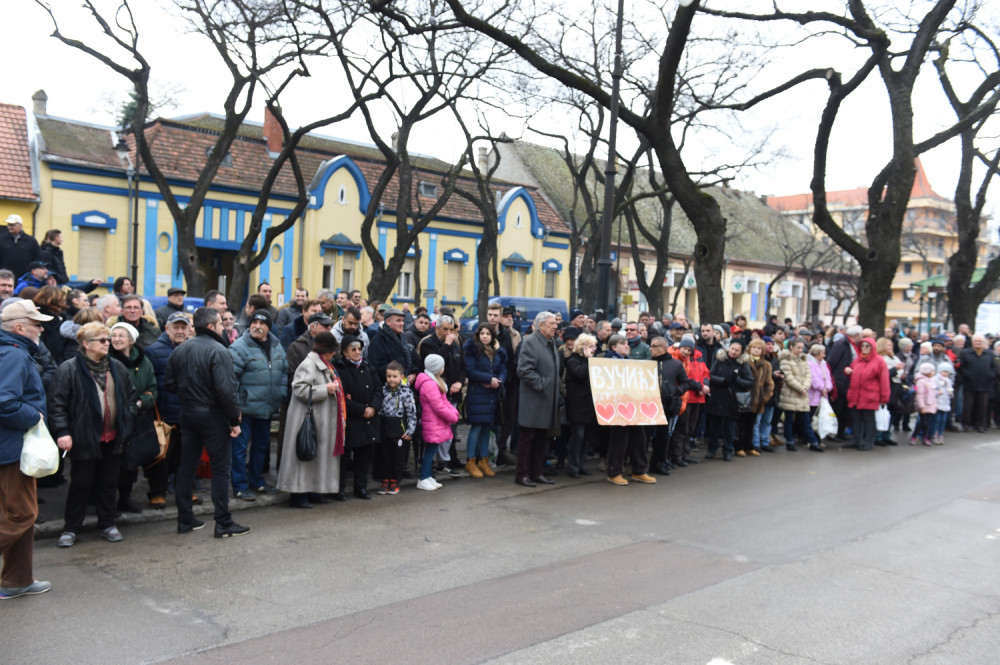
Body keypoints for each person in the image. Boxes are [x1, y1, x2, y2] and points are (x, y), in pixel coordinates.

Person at [50, 321, 137, 547]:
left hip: (113, 436)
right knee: (81, 483)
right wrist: (62, 431)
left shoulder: (116, 367)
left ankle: (107, 524)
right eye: (102, 340)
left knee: (109, 482)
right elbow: (57, 404)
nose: (108, 343)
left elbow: (130, 396)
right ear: (86, 344)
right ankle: (71, 529)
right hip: (84, 437)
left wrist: (128, 418)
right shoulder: (69, 369)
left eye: (108, 339)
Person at [166, 307, 248, 538]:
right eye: (221, 324)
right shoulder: (220, 351)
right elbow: (226, 390)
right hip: (212, 415)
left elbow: (169, 383)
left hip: (189, 413)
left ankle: (185, 519)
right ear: (211, 326)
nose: (223, 327)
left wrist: (189, 391)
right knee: (221, 469)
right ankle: (223, 522)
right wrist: (234, 419)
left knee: (186, 466)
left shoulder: (181, 349)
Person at [0, 299, 52, 599]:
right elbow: (5, 402)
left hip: (10, 446)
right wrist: (34, 415)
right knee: (22, 515)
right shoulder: (15, 355)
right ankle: (15, 580)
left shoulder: (11, 352)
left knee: (14, 514)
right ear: (20, 327)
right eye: (36, 324)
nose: (41, 328)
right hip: (11, 447)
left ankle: (16, 580)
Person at [277, 331, 345, 508]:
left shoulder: (323, 364)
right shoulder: (309, 364)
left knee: (316, 457)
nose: (334, 354)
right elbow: (299, 389)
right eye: (332, 351)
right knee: (304, 457)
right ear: (325, 351)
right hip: (307, 419)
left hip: (318, 418)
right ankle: (298, 495)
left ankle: (314, 491)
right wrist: (325, 389)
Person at [229, 310, 288, 501]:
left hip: (267, 408)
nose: (257, 326)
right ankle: (239, 486)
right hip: (244, 410)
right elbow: (231, 380)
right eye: (253, 322)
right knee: (239, 449)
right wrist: (235, 407)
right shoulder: (239, 347)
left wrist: (281, 393)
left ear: (268, 327)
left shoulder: (277, 346)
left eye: (262, 323)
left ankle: (257, 481)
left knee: (261, 446)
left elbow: (284, 372)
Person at [108, 321, 163, 513]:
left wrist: (141, 402)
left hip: (137, 417)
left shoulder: (142, 360)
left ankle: (125, 499)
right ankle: (106, 504)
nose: (116, 339)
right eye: (113, 336)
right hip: (113, 418)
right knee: (112, 463)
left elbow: (152, 387)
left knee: (131, 461)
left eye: (121, 336)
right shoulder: (106, 359)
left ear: (131, 340)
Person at [600, 334, 656, 484]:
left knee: (639, 438)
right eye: (623, 343)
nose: (627, 346)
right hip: (617, 406)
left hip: (632, 405)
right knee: (620, 439)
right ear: (613, 347)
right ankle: (614, 472)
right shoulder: (607, 361)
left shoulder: (628, 360)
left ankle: (639, 470)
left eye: (627, 343)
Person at [334, 335, 382, 500]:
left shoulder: (368, 367)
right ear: (345, 352)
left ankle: (360, 487)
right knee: (344, 457)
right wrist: (362, 409)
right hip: (352, 419)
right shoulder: (340, 368)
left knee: (364, 455)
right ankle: (339, 488)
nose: (357, 352)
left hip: (369, 418)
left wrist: (373, 407)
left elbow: (378, 388)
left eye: (359, 349)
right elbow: (342, 397)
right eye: (353, 349)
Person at [462, 323, 507, 479]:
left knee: (487, 425)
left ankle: (484, 460)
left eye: (488, 333)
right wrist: (488, 379)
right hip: (477, 393)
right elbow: (470, 370)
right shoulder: (472, 349)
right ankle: (471, 460)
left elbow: (502, 368)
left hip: (492, 394)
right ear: (478, 335)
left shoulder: (497, 351)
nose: (485, 336)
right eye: (482, 333)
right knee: (476, 427)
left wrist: (499, 380)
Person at [413, 354, 459, 491]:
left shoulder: (434, 381)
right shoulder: (430, 384)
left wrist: (453, 412)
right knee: (430, 450)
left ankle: (427, 476)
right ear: (437, 368)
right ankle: (423, 477)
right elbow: (438, 406)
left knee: (432, 449)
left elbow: (444, 402)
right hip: (432, 422)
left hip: (436, 422)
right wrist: (453, 416)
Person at [706, 340, 754, 461]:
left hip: (733, 400)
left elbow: (749, 382)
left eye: (737, 350)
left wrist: (737, 379)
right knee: (714, 427)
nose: (733, 352)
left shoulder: (743, 364)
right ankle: (712, 449)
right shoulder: (720, 360)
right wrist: (723, 380)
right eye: (732, 349)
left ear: (741, 352)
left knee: (730, 428)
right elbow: (710, 375)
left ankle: (728, 450)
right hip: (718, 397)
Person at [376, 360, 417, 495]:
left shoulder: (406, 393)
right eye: (389, 376)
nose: (391, 379)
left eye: (394, 376)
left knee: (398, 457)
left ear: (402, 377)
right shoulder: (382, 391)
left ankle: (395, 480)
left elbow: (411, 413)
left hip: (400, 430)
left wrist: (410, 431)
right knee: (384, 456)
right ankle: (385, 479)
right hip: (385, 428)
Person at [668, 335, 710, 465]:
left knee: (689, 429)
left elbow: (705, 372)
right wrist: (699, 386)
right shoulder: (677, 358)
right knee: (681, 429)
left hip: (697, 397)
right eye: (685, 348)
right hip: (686, 396)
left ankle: (684, 454)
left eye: (689, 349)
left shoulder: (698, 356)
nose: (686, 352)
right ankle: (676, 456)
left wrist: (706, 384)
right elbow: (685, 377)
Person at [777, 338, 824, 453]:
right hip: (791, 393)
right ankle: (789, 441)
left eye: (802, 347)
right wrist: (800, 388)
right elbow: (788, 377)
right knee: (788, 418)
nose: (800, 350)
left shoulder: (803, 359)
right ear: (791, 347)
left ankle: (813, 442)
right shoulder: (785, 360)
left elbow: (809, 375)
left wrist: (805, 387)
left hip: (802, 393)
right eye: (798, 347)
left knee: (805, 419)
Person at [845, 337, 890, 451]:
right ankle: (856, 439)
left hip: (869, 395)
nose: (864, 348)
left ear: (872, 347)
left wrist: (885, 397)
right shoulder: (858, 360)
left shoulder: (879, 361)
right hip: (856, 395)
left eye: (867, 346)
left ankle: (868, 441)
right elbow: (855, 374)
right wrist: (849, 372)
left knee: (868, 419)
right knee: (856, 419)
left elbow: (884, 380)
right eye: (862, 346)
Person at [563, 333, 597, 478]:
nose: (593, 349)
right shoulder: (572, 361)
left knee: (587, 438)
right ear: (582, 347)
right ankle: (573, 467)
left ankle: (582, 464)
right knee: (578, 437)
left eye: (594, 346)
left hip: (589, 405)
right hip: (577, 405)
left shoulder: (591, 361)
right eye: (590, 346)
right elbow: (581, 374)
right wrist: (588, 359)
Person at [736, 338, 774, 456]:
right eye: (754, 347)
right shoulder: (744, 362)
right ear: (749, 348)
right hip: (743, 398)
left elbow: (769, 383)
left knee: (751, 424)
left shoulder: (766, 365)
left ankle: (749, 446)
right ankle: (739, 447)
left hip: (757, 399)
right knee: (740, 424)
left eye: (759, 348)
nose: (756, 350)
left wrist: (765, 397)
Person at [957, 334, 997, 433]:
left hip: (985, 384)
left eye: (980, 341)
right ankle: (966, 424)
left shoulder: (989, 353)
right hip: (970, 384)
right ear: (972, 342)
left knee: (982, 406)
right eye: (976, 341)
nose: (978, 343)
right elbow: (961, 367)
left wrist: (990, 375)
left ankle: (979, 425)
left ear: (983, 342)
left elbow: (994, 367)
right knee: (968, 405)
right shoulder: (965, 353)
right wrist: (967, 376)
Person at [0, 215, 41, 280]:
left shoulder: (31, 241)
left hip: (25, 279)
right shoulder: (1, 239)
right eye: (8, 225)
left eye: (12, 225)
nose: (9, 227)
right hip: (4, 278)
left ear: (20, 225)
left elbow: (37, 259)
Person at [910, 363, 938, 446]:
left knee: (928, 422)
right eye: (932, 371)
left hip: (931, 405)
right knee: (922, 422)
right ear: (927, 372)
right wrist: (921, 407)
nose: (934, 372)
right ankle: (914, 436)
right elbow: (920, 395)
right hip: (924, 406)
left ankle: (926, 437)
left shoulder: (932, 380)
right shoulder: (921, 381)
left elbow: (933, 394)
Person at [931, 363, 954, 445]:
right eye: (943, 371)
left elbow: (950, 392)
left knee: (943, 421)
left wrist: (950, 393)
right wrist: (938, 392)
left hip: (946, 403)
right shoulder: (935, 379)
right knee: (937, 420)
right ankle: (934, 434)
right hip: (937, 403)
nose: (945, 373)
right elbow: (932, 391)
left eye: (947, 372)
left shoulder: (948, 381)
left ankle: (940, 434)